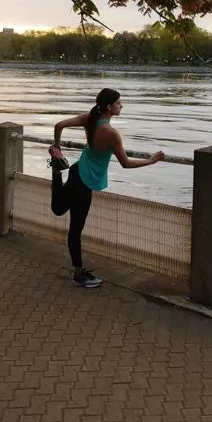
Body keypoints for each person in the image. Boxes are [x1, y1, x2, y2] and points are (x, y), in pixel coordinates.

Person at [48, 87, 165, 288]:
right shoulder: (110, 133)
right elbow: (126, 163)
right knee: (75, 228)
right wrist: (151, 161)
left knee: (59, 209)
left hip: (77, 172)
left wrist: (57, 148)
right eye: (119, 103)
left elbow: (59, 125)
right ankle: (78, 274)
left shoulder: (90, 118)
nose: (122, 106)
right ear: (109, 107)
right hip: (85, 181)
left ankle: (57, 169)